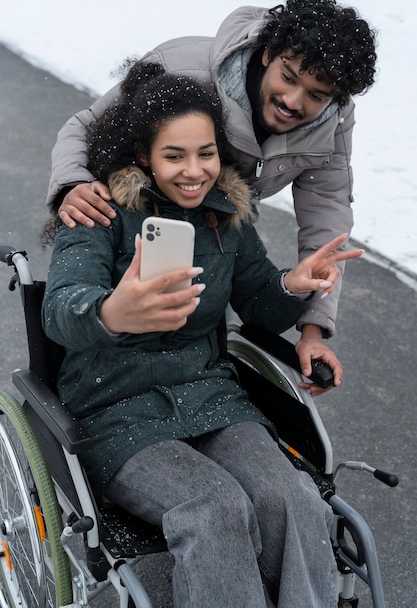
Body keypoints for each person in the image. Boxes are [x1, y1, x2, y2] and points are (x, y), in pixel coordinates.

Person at [42, 62, 363, 608]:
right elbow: (60, 311)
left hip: (211, 397)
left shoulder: (227, 217)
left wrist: (292, 283)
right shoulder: (99, 214)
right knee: (214, 508)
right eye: (174, 155)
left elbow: (258, 303)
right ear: (143, 155)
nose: (195, 171)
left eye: (206, 153)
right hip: (116, 410)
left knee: (293, 498)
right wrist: (113, 311)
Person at [45, 0, 377, 368]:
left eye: (317, 95)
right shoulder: (180, 70)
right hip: (125, 210)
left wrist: (312, 327)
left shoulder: (332, 119)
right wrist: (73, 186)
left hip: (219, 217)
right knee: (119, 308)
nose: (293, 100)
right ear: (267, 52)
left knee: (199, 316)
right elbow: (85, 126)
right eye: (288, 77)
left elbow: (327, 210)